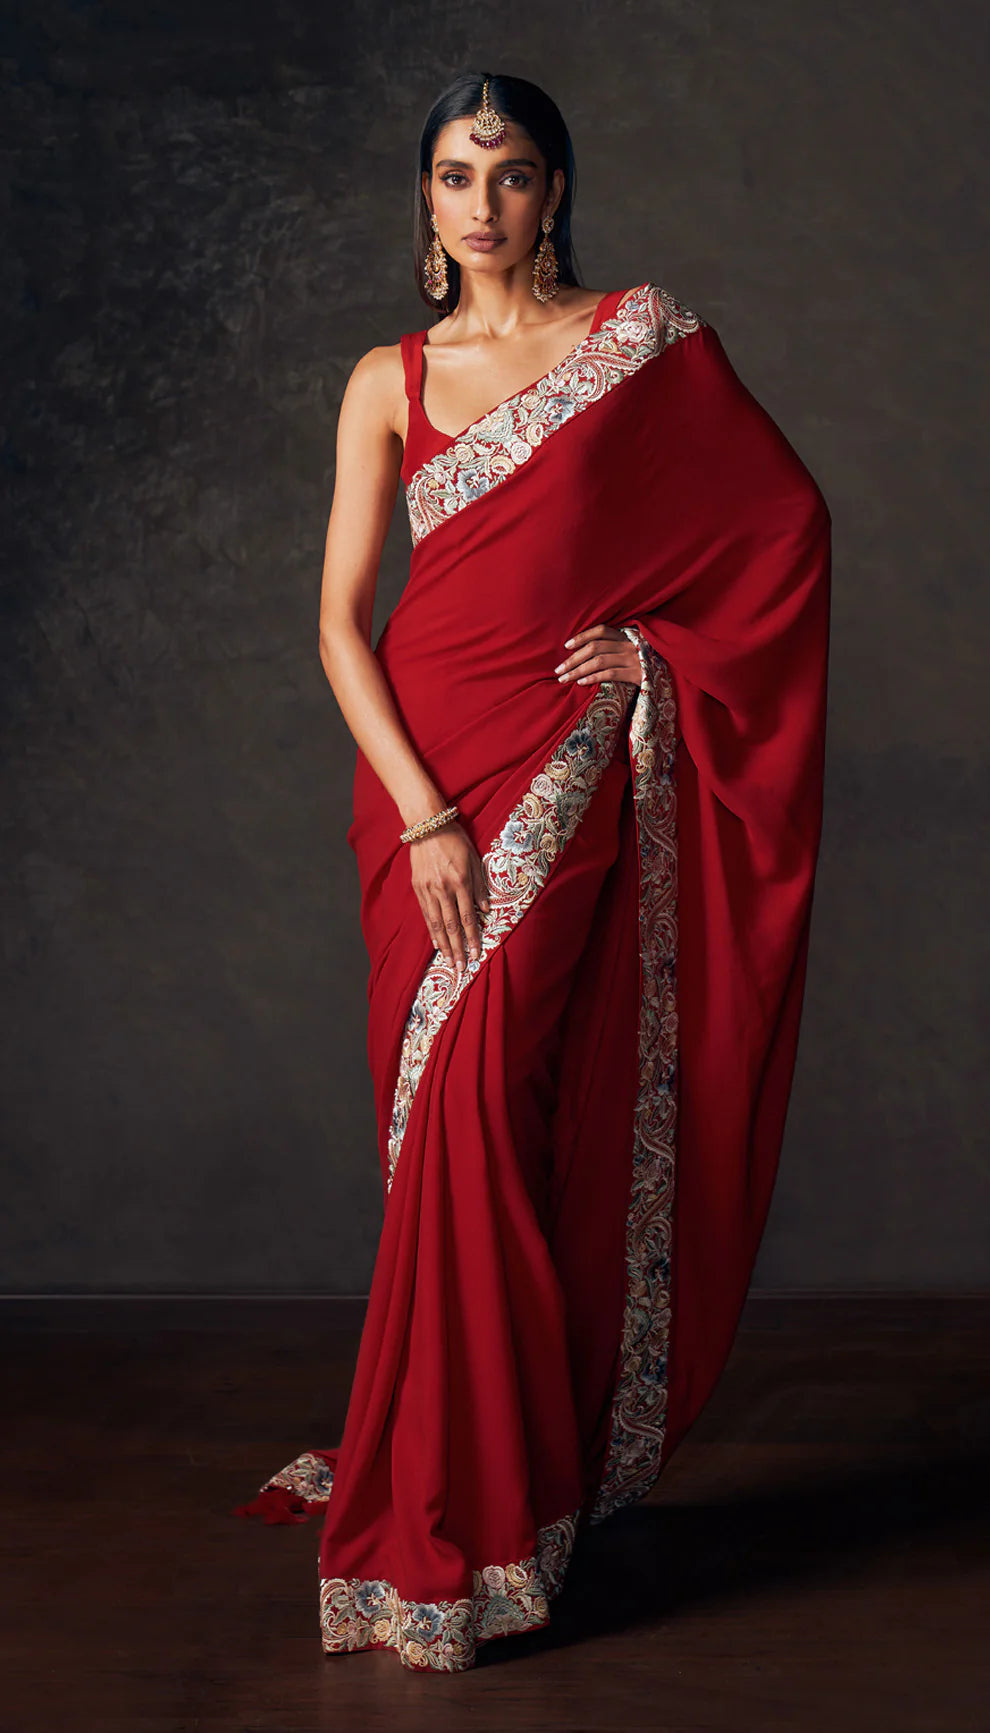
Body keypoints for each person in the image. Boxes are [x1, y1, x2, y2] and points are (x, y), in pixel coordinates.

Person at [235, 70, 832, 1674]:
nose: (479, 201)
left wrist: (652, 649)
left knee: (491, 1099)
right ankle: (472, 1477)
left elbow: (780, 528)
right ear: (420, 204)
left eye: (507, 173)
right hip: (419, 775)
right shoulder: (389, 377)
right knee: (429, 1115)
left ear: (553, 192)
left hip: (559, 767)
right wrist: (422, 811)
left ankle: (486, 1510)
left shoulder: (638, 342)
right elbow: (337, 623)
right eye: (450, 174)